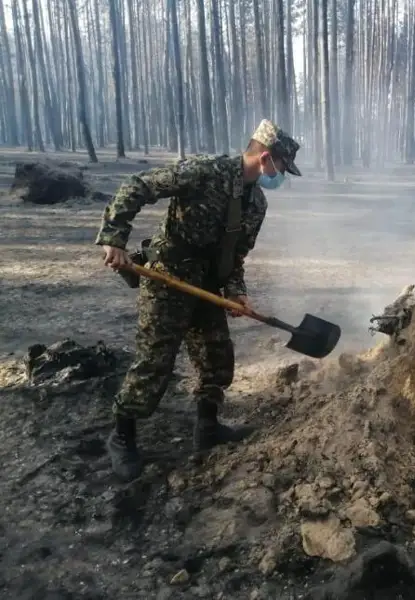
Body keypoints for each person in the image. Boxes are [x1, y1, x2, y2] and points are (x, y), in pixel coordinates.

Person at [95, 119, 302, 481]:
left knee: (217, 359)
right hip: (168, 277)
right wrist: (114, 237)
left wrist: (236, 290)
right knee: (155, 361)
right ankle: (122, 437)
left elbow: (237, 253)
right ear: (267, 158)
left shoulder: (256, 203)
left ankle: (207, 428)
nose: (281, 176)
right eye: (283, 167)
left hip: (208, 285)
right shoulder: (205, 171)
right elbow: (139, 185)